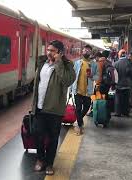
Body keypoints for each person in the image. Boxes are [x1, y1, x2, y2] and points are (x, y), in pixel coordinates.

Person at [32, 40, 75, 175]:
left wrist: (59, 63)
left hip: (55, 109)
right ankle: (40, 159)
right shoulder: (42, 63)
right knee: (38, 135)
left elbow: (67, 81)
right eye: (48, 50)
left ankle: (49, 163)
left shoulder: (67, 66)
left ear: (60, 53)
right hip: (39, 107)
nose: (49, 53)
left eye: (52, 51)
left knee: (53, 138)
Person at [71, 44, 99, 135]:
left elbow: (97, 76)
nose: (86, 52)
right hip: (77, 90)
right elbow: (73, 76)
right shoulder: (77, 63)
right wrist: (71, 88)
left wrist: (92, 76)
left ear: (91, 53)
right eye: (84, 50)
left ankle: (78, 120)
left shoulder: (94, 64)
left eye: (88, 51)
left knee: (86, 107)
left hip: (88, 91)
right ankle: (79, 125)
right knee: (78, 108)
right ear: (82, 52)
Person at [114, 50, 132, 116]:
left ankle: (118, 112)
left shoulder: (116, 63)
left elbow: (114, 76)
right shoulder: (130, 63)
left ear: (119, 55)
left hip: (118, 85)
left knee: (118, 99)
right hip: (127, 84)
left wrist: (114, 84)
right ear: (125, 55)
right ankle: (126, 112)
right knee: (126, 99)